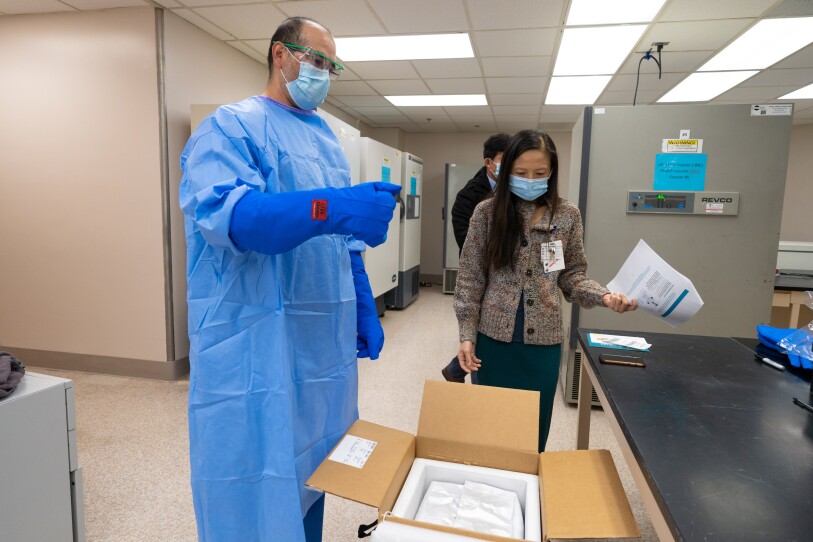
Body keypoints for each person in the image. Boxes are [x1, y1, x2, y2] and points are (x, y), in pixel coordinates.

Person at [179, 16, 401, 542]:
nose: (323, 72)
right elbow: (236, 219)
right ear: (281, 55)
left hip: (317, 340)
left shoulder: (325, 141)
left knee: (311, 462)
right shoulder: (228, 128)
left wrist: (362, 307)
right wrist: (335, 207)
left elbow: (342, 245)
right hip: (249, 336)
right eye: (315, 59)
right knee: (255, 471)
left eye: (331, 66)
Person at [454, 129, 637, 452]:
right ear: (505, 169)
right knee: (489, 428)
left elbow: (573, 276)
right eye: (521, 173)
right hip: (493, 342)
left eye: (539, 173)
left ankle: (525, 494)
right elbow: (470, 279)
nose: (530, 179)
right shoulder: (486, 213)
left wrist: (604, 296)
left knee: (532, 432)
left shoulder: (566, 215)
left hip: (543, 344)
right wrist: (467, 334)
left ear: (551, 173)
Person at [441, 133, 510, 384]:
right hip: (485, 274)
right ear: (489, 163)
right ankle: (459, 370)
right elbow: (468, 246)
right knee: (484, 330)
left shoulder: (516, 190)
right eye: (505, 161)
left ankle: (455, 369)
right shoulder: (468, 197)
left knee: (494, 332)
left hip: (510, 276)